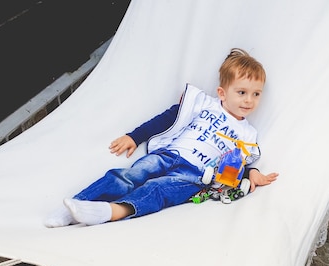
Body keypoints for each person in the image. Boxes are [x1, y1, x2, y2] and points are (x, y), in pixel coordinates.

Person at [44, 48, 278, 227]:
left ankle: (111, 212)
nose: (249, 100)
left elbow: (238, 163)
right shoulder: (204, 104)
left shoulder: (247, 134)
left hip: (194, 175)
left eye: (256, 94)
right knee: (132, 174)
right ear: (222, 93)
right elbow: (168, 118)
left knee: (158, 190)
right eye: (242, 92)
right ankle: (74, 206)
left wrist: (252, 173)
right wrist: (135, 137)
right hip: (170, 154)